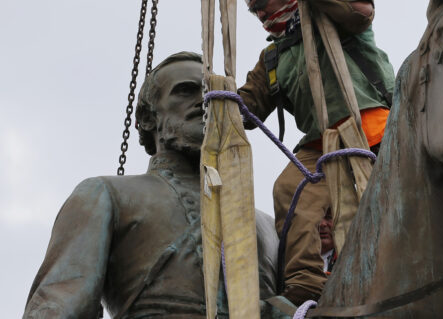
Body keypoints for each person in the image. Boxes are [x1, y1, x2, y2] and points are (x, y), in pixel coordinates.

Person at [23, 52, 278, 319]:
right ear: (147, 118)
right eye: (185, 91)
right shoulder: (106, 194)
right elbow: (59, 304)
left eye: (210, 92)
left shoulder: (269, 227)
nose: (204, 101)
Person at [238, 0, 395, 305]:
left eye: (264, 1)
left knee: (411, 199)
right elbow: (250, 104)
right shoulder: (274, 56)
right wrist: (224, 103)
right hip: (322, 141)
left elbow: (361, 9)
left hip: (373, 125)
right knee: (290, 188)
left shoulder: (328, 16)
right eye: (255, 10)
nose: (262, 13)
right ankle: (306, 280)